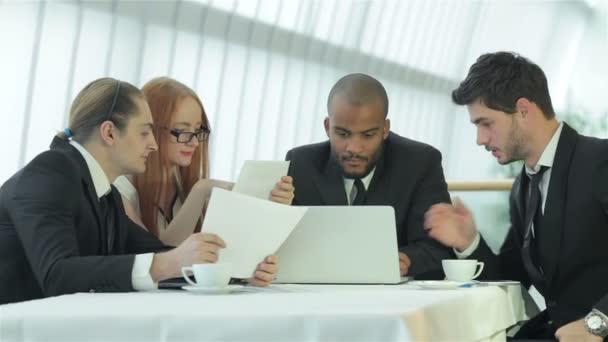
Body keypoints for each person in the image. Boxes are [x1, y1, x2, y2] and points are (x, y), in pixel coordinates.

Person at [0, 78, 262, 304]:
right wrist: (165, 264)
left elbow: (159, 253)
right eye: (145, 133)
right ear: (110, 133)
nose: (153, 145)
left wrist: (238, 271)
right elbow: (56, 274)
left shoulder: (106, 195)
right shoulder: (51, 171)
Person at [424, 52, 608, 341]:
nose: (480, 139)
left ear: (523, 109)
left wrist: (597, 324)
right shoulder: (523, 188)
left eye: (486, 123)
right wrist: (469, 241)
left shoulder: (601, 161)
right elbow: (510, 279)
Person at [114, 77, 292, 286]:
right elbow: (163, 258)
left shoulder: (185, 186)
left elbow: (214, 258)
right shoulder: (120, 192)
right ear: (149, 130)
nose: (194, 141)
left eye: (198, 130)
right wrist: (201, 190)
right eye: (181, 131)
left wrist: (248, 272)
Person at [285, 73, 453, 278]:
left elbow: (439, 249)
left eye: (368, 135)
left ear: (385, 129)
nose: (354, 148)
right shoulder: (301, 164)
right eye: (343, 134)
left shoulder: (420, 163)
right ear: (328, 127)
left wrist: (407, 261)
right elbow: (282, 246)